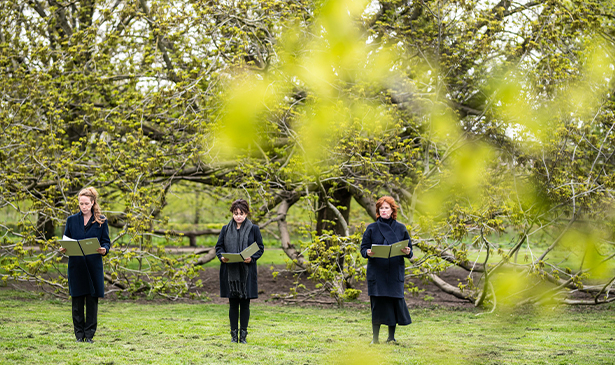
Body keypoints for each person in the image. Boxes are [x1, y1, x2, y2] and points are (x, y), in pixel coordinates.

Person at [59, 187, 111, 343]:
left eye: (86, 203)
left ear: (92, 202)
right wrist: (63, 248)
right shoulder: (71, 220)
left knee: (91, 302)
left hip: (93, 266)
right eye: (81, 203)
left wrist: (104, 250)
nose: (83, 206)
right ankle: (79, 335)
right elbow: (66, 239)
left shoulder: (101, 221)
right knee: (77, 303)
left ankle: (89, 335)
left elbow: (106, 242)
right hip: (76, 266)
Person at [360, 196, 413, 344]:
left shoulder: (401, 228)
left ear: (392, 210)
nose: (383, 211)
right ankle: (375, 339)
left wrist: (407, 251)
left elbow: (410, 251)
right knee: (377, 304)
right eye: (381, 208)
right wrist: (368, 253)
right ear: (378, 211)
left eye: (386, 208)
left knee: (392, 303)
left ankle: (391, 337)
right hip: (377, 272)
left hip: (395, 271)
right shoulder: (371, 228)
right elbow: (363, 248)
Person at [215, 199, 265, 344]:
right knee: (232, 304)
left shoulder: (254, 229)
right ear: (232, 213)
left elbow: (260, 248)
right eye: (236, 213)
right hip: (230, 273)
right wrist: (222, 257)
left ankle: (243, 337)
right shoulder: (225, 229)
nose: (238, 216)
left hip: (247, 273)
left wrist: (252, 258)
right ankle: (233, 337)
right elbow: (219, 247)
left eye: (241, 214)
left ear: (246, 213)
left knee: (245, 303)